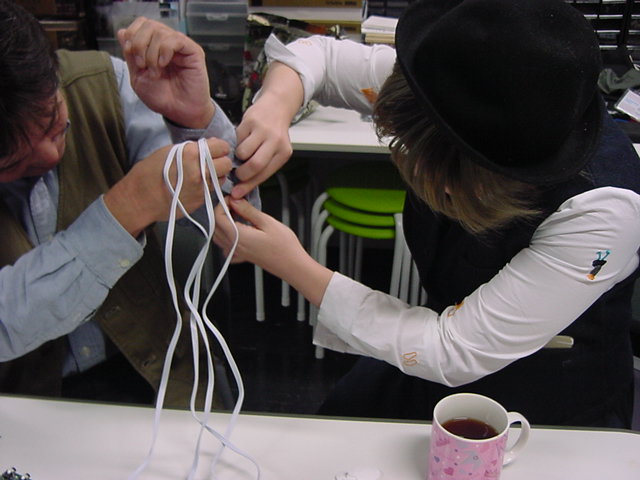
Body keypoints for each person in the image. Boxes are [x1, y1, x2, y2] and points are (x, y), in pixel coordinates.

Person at [214, 0, 640, 427]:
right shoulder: (452, 85)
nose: (435, 191)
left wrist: (289, 263)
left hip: (551, 393)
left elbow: (454, 350)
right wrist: (274, 107)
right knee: (338, 423)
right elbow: (317, 56)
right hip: (436, 344)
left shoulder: (605, 210)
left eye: (452, 180)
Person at [0, 0, 244, 408]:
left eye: (53, 122)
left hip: (160, 374)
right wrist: (125, 210)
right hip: (21, 401)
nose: (49, 154)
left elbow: (235, 225)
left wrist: (195, 122)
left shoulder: (105, 85)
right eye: (12, 162)